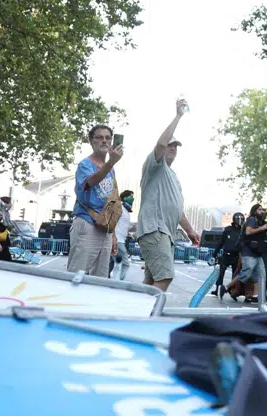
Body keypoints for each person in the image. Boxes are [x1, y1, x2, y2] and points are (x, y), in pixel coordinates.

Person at [134, 99, 202, 293]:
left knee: (151, 281)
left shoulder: (173, 176)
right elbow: (161, 143)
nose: (172, 147)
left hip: (164, 234)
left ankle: (137, 314)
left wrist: (190, 231)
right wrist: (178, 115)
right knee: (165, 277)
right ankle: (148, 319)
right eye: (170, 145)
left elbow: (178, 211)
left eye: (176, 146)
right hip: (155, 230)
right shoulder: (154, 165)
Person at [70, 124, 123, 277]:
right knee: (76, 274)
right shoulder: (85, 164)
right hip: (87, 224)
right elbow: (91, 182)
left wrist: (112, 234)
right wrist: (110, 163)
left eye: (108, 138)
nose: (104, 141)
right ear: (91, 141)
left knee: (100, 278)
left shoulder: (110, 170)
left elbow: (111, 203)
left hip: (105, 228)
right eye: (99, 137)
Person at [225, 204, 267, 303]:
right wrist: (262, 228)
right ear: (254, 211)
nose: (262, 211)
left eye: (262, 209)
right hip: (248, 251)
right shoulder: (251, 219)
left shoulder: (259, 222)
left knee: (261, 274)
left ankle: (255, 296)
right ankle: (226, 287)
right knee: (247, 272)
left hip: (257, 253)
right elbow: (248, 232)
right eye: (259, 209)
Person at [213, 213, 245, 296]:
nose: (240, 221)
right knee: (221, 272)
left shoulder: (243, 231)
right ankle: (217, 289)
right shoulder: (228, 230)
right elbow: (221, 241)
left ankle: (232, 290)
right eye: (238, 219)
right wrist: (215, 253)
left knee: (235, 274)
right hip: (226, 255)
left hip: (237, 256)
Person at [112, 191, 134, 280]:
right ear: (124, 197)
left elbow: (123, 226)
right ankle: (118, 282)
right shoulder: (119, 208)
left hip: (121, 239)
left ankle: (113, 281)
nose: (132, 199)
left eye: (133, 197)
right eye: (130, 196)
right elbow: (113, 221)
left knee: (116, 263)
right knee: (124, 263)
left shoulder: (126, 212)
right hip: (118, 240)